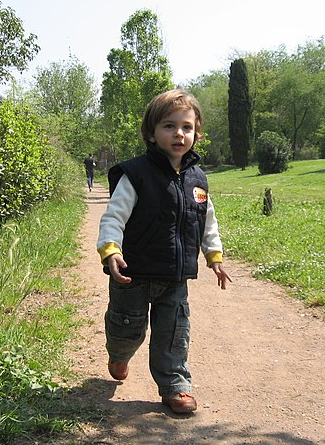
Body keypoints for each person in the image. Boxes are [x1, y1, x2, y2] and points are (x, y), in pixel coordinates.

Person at [96, 89, 232, 414]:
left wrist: (214, 256)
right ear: (152, 133)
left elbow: (206, 221)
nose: (179, 134)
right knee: (126, 328)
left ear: (196, 133)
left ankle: (175, 385)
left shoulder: (198, 180)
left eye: (186, 127)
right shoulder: (136, 174)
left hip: (174, 275)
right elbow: (114, 215)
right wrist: (111, 249)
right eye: (169, 126)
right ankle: (119, 354)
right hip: (133, 273)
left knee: (173, 333)